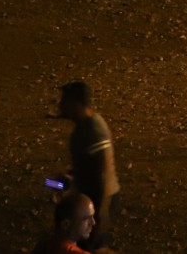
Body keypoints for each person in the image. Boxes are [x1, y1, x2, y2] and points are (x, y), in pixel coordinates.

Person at [56, 80, 118, 249]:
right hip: (90, 202)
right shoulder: (83, 128)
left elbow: (102, 176)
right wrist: (72, 178)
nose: (60, 105)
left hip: (98, 201)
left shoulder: (93, 130)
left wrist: (99, 215)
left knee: (90, 245)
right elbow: (89, 166)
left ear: (76, 103)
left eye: (64, 101)